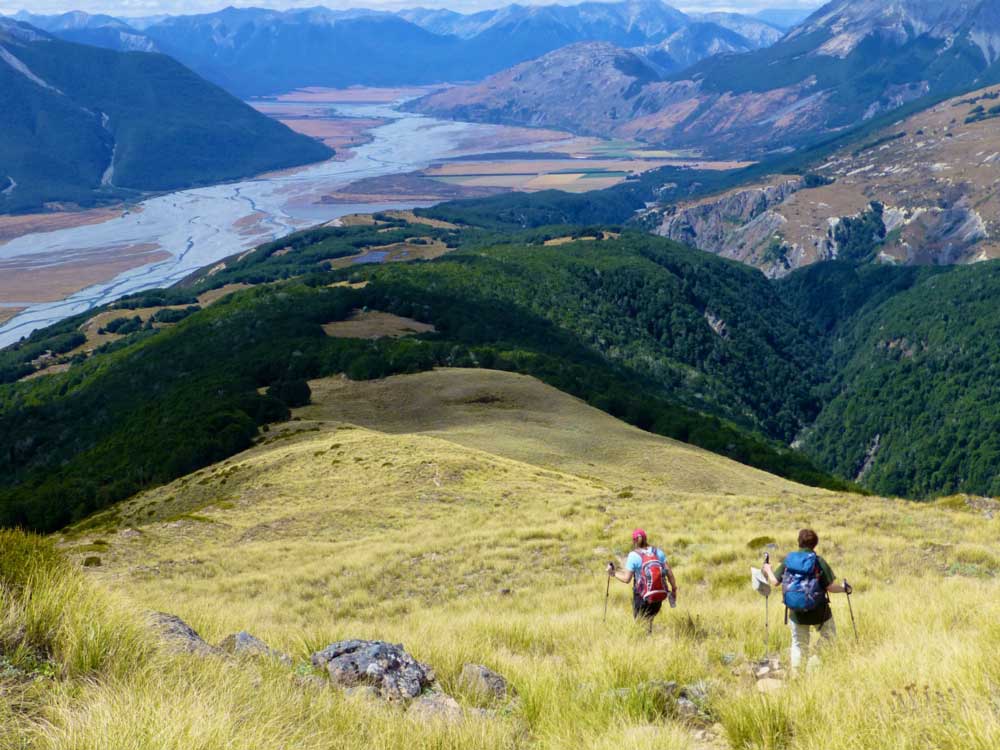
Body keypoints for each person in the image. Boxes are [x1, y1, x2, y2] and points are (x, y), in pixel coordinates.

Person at [763, 528, 852, 671]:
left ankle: (797, 675)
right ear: (815, 544)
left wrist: (768, 570)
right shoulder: (818, 561)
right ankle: (813, 665)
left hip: (796, 612)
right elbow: (830, 587)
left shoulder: (789, 560)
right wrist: (844, 588)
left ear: (798, 542)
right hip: (819, 611)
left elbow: (775, 582)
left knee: (798, 644)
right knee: (829, 637)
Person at [608, 528, 677, 628]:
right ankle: (650, 635)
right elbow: (669, 573)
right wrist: (674, 590)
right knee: (650, 619)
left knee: (640, 625)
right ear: (646, 539)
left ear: (634, 541)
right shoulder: (658, 552)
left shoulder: (633, 555)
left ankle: (645, 637)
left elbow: (626, 579)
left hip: (642, 597)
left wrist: (613, 573)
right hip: (658, 595)